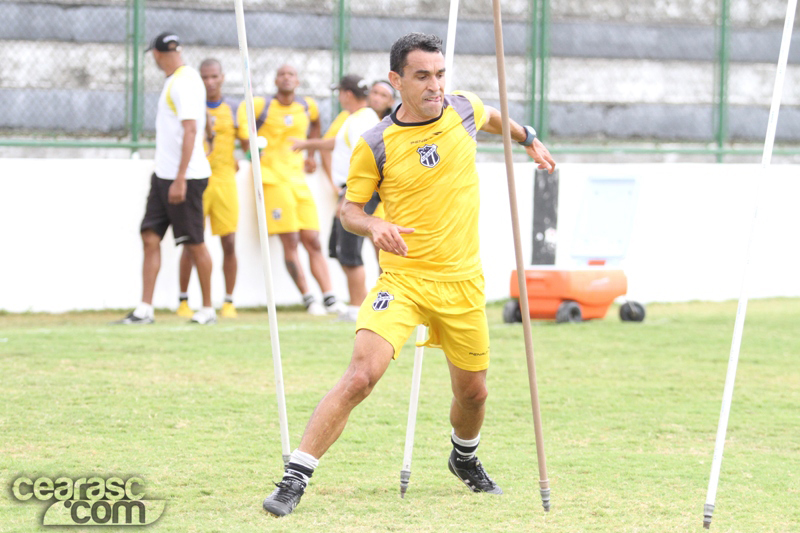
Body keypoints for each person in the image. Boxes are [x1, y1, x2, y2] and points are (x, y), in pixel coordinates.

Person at [262, 32, 556, 517]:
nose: (435, 85)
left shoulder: (463, 108)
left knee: (474, 393)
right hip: (403, 282)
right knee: (361, 376)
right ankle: (295, 476)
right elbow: (349, 211)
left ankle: (464, 458)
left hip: (463, 283)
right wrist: (374, 224)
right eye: (422, 76)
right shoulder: (375, 141)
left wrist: (528, 137)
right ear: (396, 80)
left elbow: (493, 117)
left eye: (440, 74)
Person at [116, 32, 216, 325]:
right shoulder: (184, 79)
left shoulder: (183, 82)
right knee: (150, 235)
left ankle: (207, 309)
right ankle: (145, 309)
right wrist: (210, 134)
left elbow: (190, 129)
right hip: (164, 174)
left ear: (157, 54)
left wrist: (181, 178)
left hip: (183, 178)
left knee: (194, 242)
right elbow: (200, 119)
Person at [237, 65, 344, 316]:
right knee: (291, 240)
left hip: (298, 181)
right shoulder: (261, 106)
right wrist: (253, 153)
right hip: (272, 180)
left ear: (298, 81)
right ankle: (309, 299)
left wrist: (311, 155)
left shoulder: (307, 106)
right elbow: (244, 136)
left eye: (291, 74)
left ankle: (329, 297)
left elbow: (315, 125)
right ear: (275, 80)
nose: (286, 78)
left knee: (313, 239)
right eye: (281, 74)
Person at [291, 75, 381, 322]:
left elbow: (368, 157)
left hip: (358, 192)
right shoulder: (355, 119)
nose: (339, 97)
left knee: (350, 251)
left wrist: (353, 196)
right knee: (338, 248)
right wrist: (307, 144)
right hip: (350, 191)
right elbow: (338, 143)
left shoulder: (363, 120)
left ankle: (357, 308)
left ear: (347, 94)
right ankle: (359, 304)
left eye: (340, 92)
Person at [177, 58, 242, 319]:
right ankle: (183, 301)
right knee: (191, 242)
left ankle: (228, 301)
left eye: (214, 76)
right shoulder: (192, 106)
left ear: (222, 77)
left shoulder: (235, 108)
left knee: (229, 241)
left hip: (225, 181)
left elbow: (247, 141)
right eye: (204, 77)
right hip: (197, 180)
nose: (210, 82)